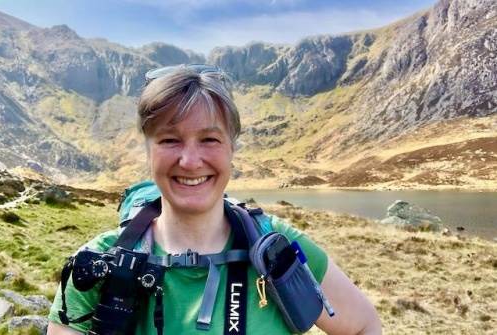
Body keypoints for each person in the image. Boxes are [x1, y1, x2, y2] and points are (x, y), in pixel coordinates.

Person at [47, 64, 381, 334]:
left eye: (209, 139)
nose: (190, 161)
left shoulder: (279, 250)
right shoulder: (98, 265)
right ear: (147, 151)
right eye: (169, 140)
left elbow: (364, 325)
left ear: (232, 149)